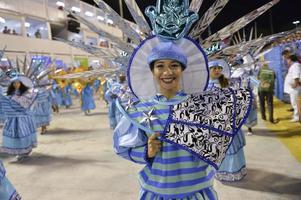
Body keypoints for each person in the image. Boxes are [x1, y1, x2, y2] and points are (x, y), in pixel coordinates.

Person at [114, 41, 251, 199]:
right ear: (152, 70)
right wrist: (146, 152)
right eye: (160, 66)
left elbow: (216, 144)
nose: (167, 72)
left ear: (182, 70)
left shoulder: (202, 105)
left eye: (174, 65)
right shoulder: (140, 109)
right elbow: (122, 147)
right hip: (158, 190)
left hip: (197, 189)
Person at [207, 60, 248, 181]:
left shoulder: (226, 83)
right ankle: (224, 172)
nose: (217, 70)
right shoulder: (205, 86)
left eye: (218, 68)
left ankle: (235, 171)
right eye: (213, 68)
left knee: (233, 147)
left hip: (230, 121)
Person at [0, 76, 38, 161]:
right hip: (13, 119)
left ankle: (24, 152)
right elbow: (6, 103)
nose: (16, 85)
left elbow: (28, 105)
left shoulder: (26, 94)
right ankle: (19, 151)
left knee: (22, 134)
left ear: (21, 84)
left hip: (23, 119)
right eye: (14, 83)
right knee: (15, 135)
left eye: (18, 83)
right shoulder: (9, 94)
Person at [284, 55, 301, 122]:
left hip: (295, 88)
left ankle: (296, 117)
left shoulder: (295, 66)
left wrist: (295, 84)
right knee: (295, 102)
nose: (287, 61)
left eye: (287, 60)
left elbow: (296, 75)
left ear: (290, 59)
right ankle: (296, 115)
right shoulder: (295, 65)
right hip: (295, 87)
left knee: (295, 103)